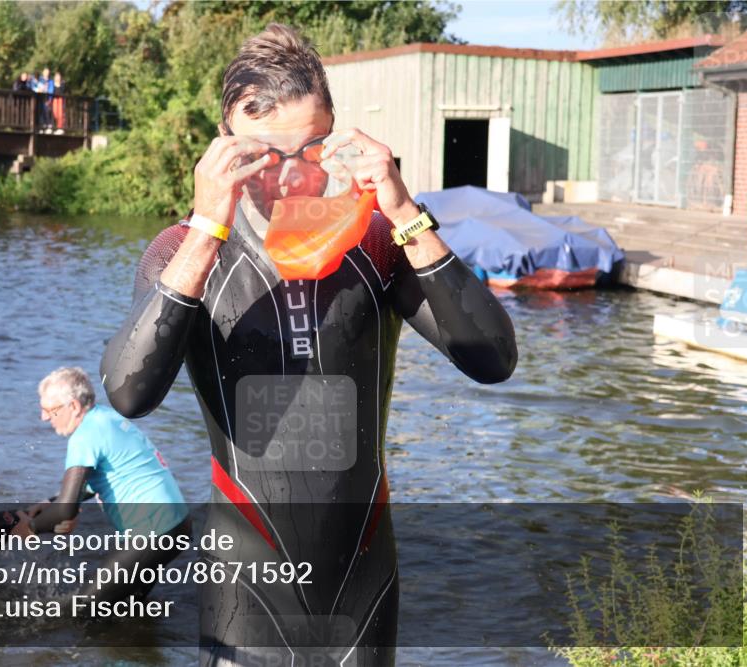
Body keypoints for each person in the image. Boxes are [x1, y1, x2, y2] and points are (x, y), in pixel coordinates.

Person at [100, 23, 517, 665]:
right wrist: (209, 227)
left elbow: (492, 358)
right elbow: (129, 393)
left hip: (363, 578)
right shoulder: (180, 250)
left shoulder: (377, 242)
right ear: (226, 145)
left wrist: (406, 212)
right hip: (246, 583)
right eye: (267, 155)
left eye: (314, 148)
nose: (292, 178)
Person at [27, 367, 191, 604]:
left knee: (86, 607)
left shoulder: (84, 436)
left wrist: (29, 528)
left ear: (73, 406)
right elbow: (97, 483)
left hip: (153, 531)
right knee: (128, 606)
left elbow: (66, 510)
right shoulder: (105, 418)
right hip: (176, 524)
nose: (43, 418)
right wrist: (49, 503)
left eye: (49, 410)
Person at [34, 67, 53, 132]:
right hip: (40, 98)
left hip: (46, 98)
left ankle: (48, 126)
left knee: (47, 112)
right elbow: (36, 87)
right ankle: (41, 126)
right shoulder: (40, 80)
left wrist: (49, 99)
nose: (46, 74)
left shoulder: (50, 81)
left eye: (47, 72)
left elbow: (50, 90)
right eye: (45, 72)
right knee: (40, 112)